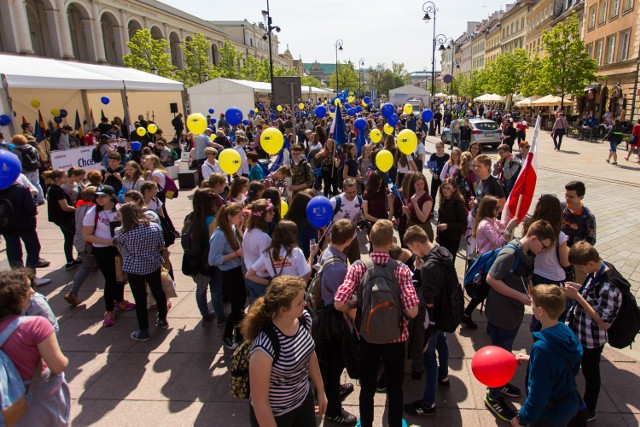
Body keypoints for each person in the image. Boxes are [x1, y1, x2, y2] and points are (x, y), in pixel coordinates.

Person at [334, 220, 420, 427]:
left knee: (368, 389)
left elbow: (339, 303)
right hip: (396, 338)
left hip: (367, 337)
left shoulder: (358, 267)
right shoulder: (401, 270)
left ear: (370, 240)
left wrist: (358, 302)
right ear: (391, 241)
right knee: (395, 389)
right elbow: (413, 311)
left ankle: (367, 424)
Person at [484, 220, 555, 422]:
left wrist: (530, 292)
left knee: (506, 352)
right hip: (502, 313)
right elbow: (491, 279)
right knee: (500, 355)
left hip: (512, 312)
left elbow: (525, 277)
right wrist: (519, 296)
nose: (543, 250)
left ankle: (501, 382)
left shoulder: (526, 253)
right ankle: (493, 394)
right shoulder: (510, 253)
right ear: (533, 239)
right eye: (543, 245)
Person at [242, 275, 327, 426]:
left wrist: (320, 390)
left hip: (303, 402)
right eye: (300, 302)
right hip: (278, 415)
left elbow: (309, 353)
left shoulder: (304, 319)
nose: (305, 303)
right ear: (283, 310)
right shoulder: (263, 349)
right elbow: (260, 402)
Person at [0, 270, 71, 426]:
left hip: (7, 408)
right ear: (18, 297)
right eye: (27, 289)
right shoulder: (35, 325)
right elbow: (58, 365)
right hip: (38, 400)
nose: (32, 291)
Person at [564, 242, 623, 422]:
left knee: (591, 374)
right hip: (581, 330)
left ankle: (590, 410)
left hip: (592, 339)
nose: (580, 270)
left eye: (581, 267)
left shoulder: (609, 287)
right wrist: (577, 288)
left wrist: (578, 297)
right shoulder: (598, 269)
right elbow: (592, 294)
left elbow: (604, 323)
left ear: (590, 263)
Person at [403, 225, 456, 417]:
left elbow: (429, 301)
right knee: (443, 342)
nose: (412, 252)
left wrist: (420, 272)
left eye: (412, 248)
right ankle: (444, 375)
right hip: (446, 312)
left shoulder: (430, 268)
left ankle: (428, 403)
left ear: (416, 244)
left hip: (434, 318)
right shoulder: (442, 251)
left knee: (429, 357)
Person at [512, 285, 582, 427]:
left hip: (549, 413)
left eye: (532, 304)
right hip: (568, 403)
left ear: (540, 311)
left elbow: (538, 395)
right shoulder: (566, 331)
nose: (531, 306)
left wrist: (521, 418)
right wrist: (531, 359)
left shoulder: (542, 348)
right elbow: (569, 364)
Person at [314, 219, 358, 425]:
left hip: (327, 314)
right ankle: (333, 411)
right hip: (333, 322)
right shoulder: (338, 269)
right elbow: (343, 302)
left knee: (333, 363)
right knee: (334, 363)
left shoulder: (328, 252)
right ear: (348, 240)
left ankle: (335, 388)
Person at [82, 185, 135, 327]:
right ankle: (109, 310)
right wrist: (107, 241)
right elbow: (86, 235)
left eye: (103, 196)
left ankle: (120, 300)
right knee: (110, 280)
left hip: (119, 248)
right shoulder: (92, 213)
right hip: (103, 250)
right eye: (97, 197)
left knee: (121, 277)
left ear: (111, 196)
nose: (99, 199)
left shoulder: (120, 208)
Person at [113, 203, 167, 341]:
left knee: (140, 298)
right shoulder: (155, 227)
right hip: (153, 264)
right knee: (158, 291)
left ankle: (143, 331)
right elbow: (161, 245)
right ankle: (162, 319)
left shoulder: (124, 233)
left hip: (134, 268)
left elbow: (120, 247)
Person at [183, 188, 225, 326]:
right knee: (216, 289)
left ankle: (205, 315)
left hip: (195, 258)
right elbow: (214, 241)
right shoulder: (212, 219)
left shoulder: (190, 217)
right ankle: (220, 317)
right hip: (209, 258)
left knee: (200, 288)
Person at [208, 203, 246, 350]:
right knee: (236, 307)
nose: (242, 218)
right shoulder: (219, 235)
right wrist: (236, 254)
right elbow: (213, 260)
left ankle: (240, 333)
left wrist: (239, 230)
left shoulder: (231, 228)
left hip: (236, 271)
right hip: (229, 273)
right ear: (229, 217)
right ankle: (227, 335)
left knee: (241, 303)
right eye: (239, 216)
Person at [0, 176, 51, 286]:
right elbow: (31, 209)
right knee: (33, 248)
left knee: (13, 251)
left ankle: (19, 280)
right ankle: (30, 277)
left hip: (6, 226)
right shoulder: (21, 189)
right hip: (25, 225)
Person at [246, 220, 312, 286]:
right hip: (294, 291)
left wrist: (270, 283)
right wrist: (311, 257)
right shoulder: (296, 252)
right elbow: (306, 275)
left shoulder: (267, 254)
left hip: (277, 292)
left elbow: (249, 275)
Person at [64, 187, 97, 306]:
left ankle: (73, 292)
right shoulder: (91, 209)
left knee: (86, 266)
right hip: (88, 243)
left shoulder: (79, 207)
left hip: (80, 241)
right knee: (89, 266)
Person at [44, 169, 79, 270]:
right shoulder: (57, 190)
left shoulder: (53, 188)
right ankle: (83, 256)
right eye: (65, 177)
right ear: (57, 179)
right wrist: (77, 210)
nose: (67, 178)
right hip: (64, 218)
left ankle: (70, 260)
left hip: (59, 218)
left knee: (69, 238)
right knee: (77, 235)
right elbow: (65, 207)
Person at [242, 199, 275, 302]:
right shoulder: (264, 238)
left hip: (250, 277)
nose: (273, 214)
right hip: (262, 279)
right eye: (270, 212)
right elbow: (265, 263)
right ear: (263, 215)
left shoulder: (248, 230)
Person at [329, 178, 363, 263]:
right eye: (349, 192)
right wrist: (327, 236)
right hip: (338, 241)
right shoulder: (334, 202)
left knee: (357, 264)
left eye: (354, 191)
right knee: (341, 266)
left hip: (353, 237)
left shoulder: (359, 200)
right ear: (343, 190)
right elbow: (324, 221)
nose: (352, 195)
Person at [436, 178, 468, 258]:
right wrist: (438, 234)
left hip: (453, 238)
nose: (445, 190)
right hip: (443, 236)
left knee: (449, 261)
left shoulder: (458, 203)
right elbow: (440, 218)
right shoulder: (443, 199)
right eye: (444, 187)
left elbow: (464, 223)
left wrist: (447, 226)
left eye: (448, 188)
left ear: (454, 189)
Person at [562, 181, 596, 249]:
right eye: (566, 195)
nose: (567, 199)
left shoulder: (588, 216)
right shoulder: (561, 206)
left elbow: (591, 240)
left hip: (574, 252)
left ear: (581, 197)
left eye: (571, 197)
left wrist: (571, 239)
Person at [10, 134, 44, 204]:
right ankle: (41, 199)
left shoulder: (15, 151)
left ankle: (33, 200)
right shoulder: (32, 147)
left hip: (25, 170)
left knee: (28, 186)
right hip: (35, 168)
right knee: (37, 184)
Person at [284, 192, 318, 259]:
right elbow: (312, 247)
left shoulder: (284, 221)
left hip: (286, 260)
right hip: (304, 261)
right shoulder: (309, 227)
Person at [403, 172, 435, 242]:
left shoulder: (427, 199)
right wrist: (407, 212)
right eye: (417, 184)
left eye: (422, 184)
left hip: (423, 230)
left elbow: (423, 219)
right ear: (413, 185)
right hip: (412, 228)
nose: (420, 186)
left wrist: (415, 204)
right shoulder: (412, 195)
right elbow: (411, 217)